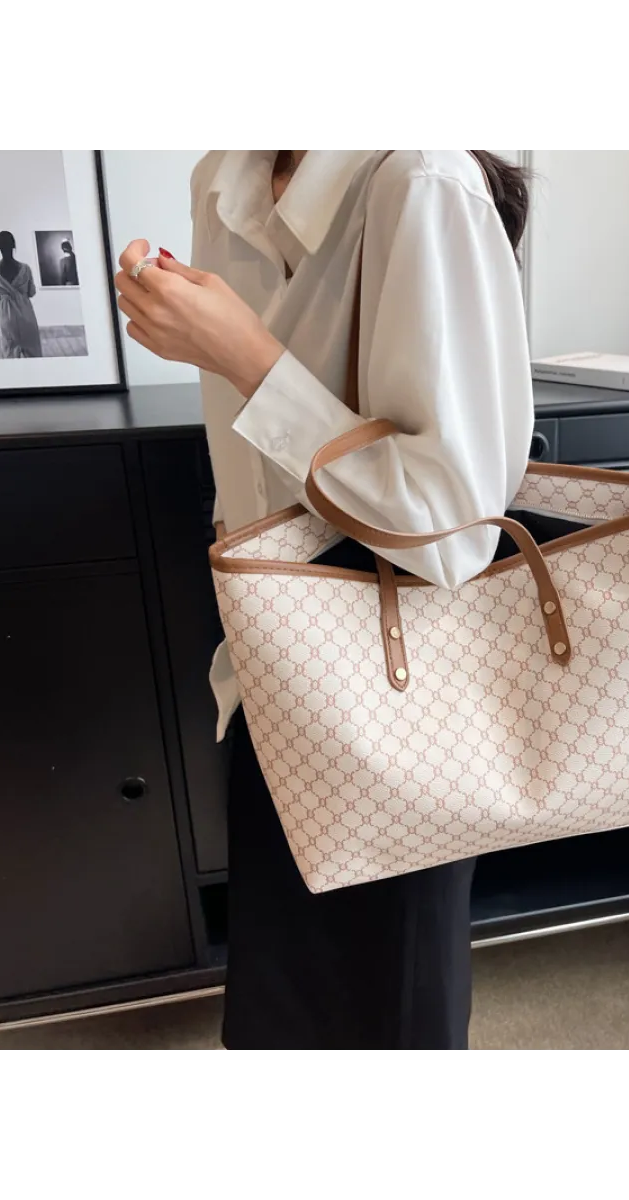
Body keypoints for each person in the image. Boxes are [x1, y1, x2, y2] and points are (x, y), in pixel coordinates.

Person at [114, 145, 533, 1055]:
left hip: (405, 698)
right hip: (273, 669)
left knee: (393, 1025)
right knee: (280, 1017)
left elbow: (453, 526)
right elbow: (243, 470)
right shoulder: (224, 179)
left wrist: (245, 356)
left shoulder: (421, 182)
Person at [0, 231, 42, 358]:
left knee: (10, 353)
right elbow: (32, 292)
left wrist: (5, 292)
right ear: (14, 245)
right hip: (26, 315)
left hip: (6, 316)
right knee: (33, 353)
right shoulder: (25, 268)